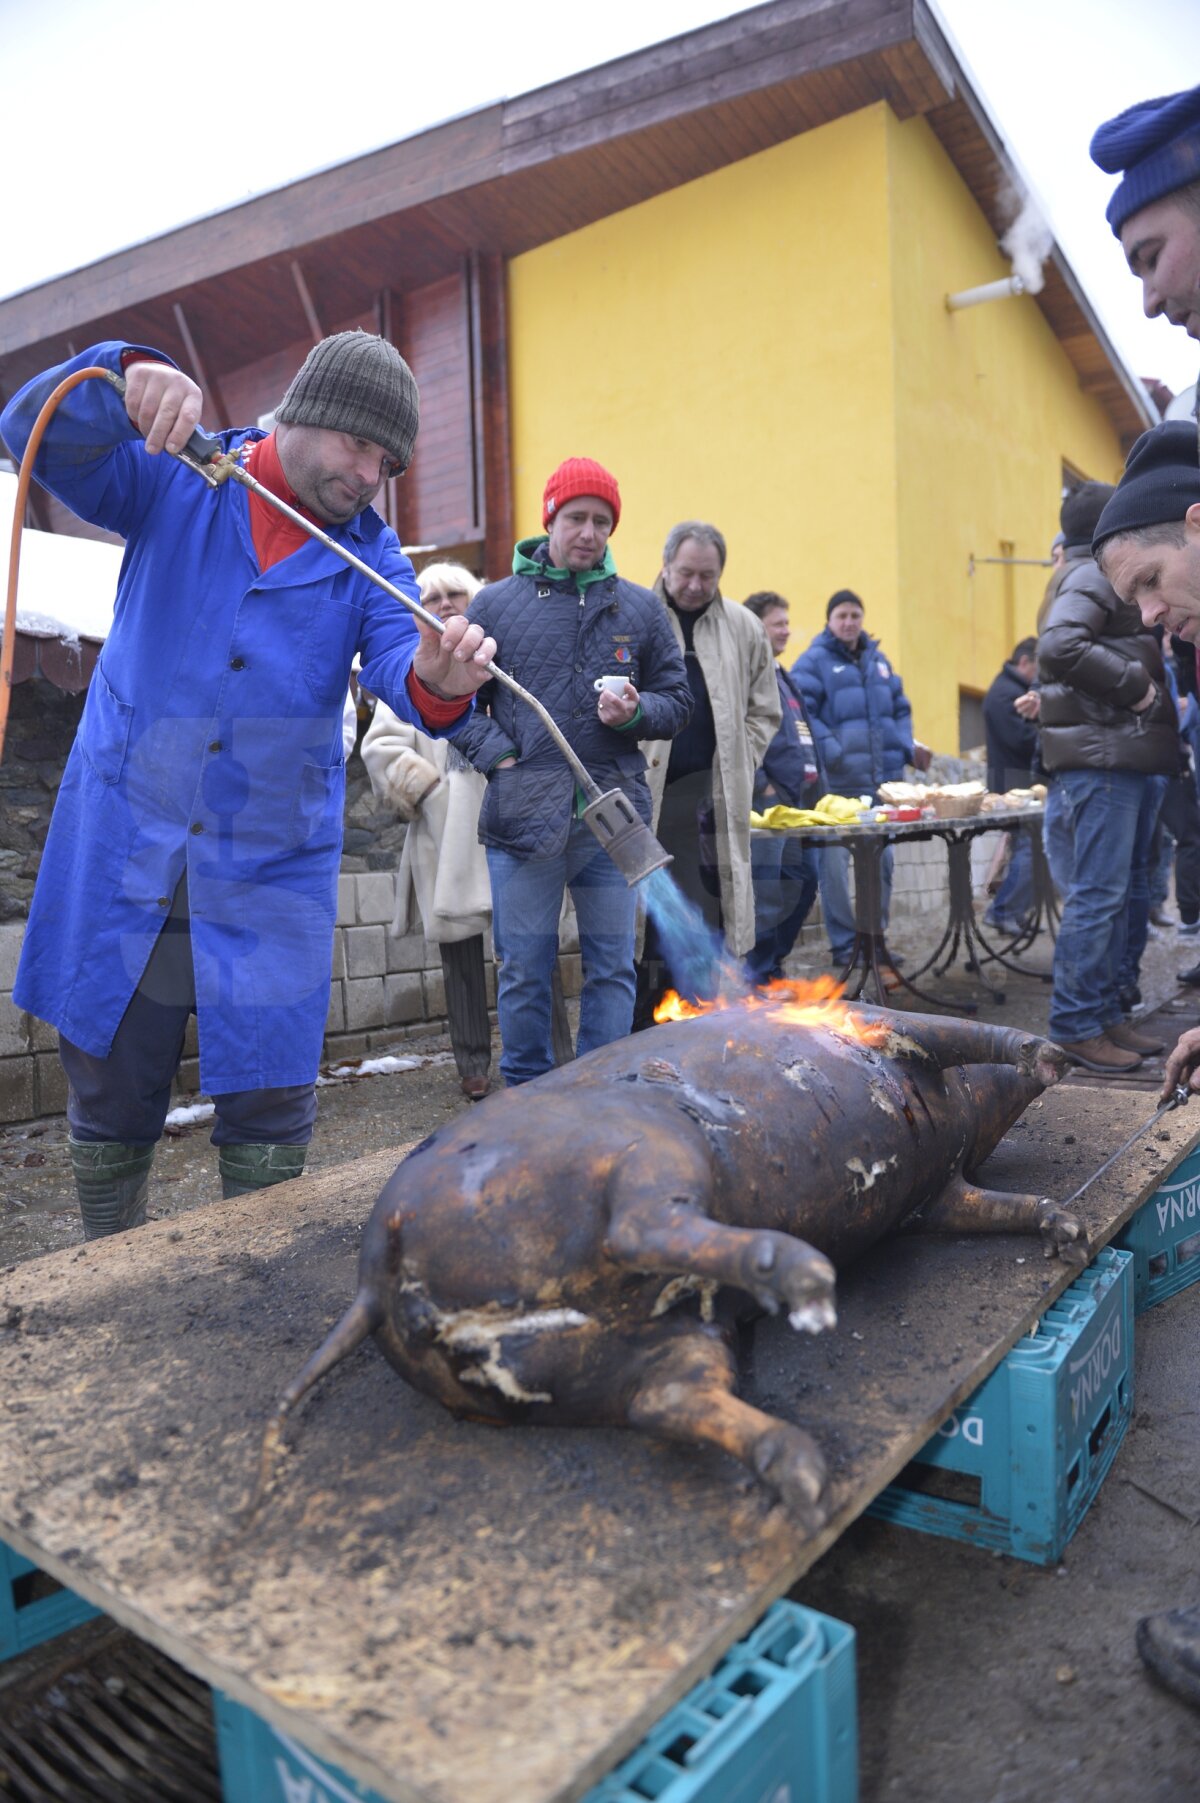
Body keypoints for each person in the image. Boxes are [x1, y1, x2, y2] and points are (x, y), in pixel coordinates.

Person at [0, 333, 496, 1237]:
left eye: (387, 462)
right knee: (111, 1073)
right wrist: (122, 379)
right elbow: (32, 428)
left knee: (270, 1097)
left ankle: (253, 1294)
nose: (369, 474)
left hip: (268, 865)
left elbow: (403, 664)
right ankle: (106, 1274)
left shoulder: (369, 558)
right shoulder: (174, 477)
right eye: (359, 447)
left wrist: (438, 678)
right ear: (304, 414)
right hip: (130, 836)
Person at [457, 458, 690, 1085]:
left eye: (602, 521)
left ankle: (598, 1093)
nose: (589, 532)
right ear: (550, 518)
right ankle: (526, 1094)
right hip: (521, 819)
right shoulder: (496, 605)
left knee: (612, 968)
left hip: (610, 822)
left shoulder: (639, 610)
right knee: (524, 967)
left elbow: (678, 699)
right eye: (576, 517)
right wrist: (498, 755)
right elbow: (455, 704)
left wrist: (638, 712)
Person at [1038, 478, 1177, 1073]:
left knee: (1123, 893)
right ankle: (1075, 1025)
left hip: (1123, 756)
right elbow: (1059, 645)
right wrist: (1139, 690)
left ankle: (1105, 1014)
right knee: (1099, 896)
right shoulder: (1091, 574)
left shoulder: (1086, 573)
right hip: (1103, 759)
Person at [633, 522, 781, 1024]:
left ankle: (701, 1022)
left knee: (708, 913)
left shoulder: (744, 627)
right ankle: (639, 1028)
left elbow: (765, 710)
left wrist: (742, 759)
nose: (696, 585)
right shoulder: (632, 616)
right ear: (665, 565)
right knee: (646, 922)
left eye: (707, 575)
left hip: (711, 802)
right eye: (686, 573)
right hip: (648, 798)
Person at [792, 589, 931, 972]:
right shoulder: (813, 662)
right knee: (833, 866)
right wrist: (832, 750)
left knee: (881, 862)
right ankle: (842, 944)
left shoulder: (878, 662)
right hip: (836, 787)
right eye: (842, 615)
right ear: (829, 620)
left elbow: (900, 709)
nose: (850, 622)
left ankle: (875, 939)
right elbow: (803, 714)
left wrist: (905, 745)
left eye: (855, 614)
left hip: (879, 784)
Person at [741, 592, 822, 982]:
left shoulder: (780, 673)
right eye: (779, 623)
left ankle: (771, 967)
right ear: (757, 627)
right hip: (768, 807)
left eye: (788, 623)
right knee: (770, 896)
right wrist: (764, 789)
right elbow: (739, 734)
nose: (788, 631)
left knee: (803, 883)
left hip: (796, 804)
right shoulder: (746, 674)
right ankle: (758, 978)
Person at [981, 637, 1040, 934]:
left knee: (1026, 849)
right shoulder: (1005, 693)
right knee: (1031, 849)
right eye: (1037, 667)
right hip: (1012, 784)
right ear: (1025, 662)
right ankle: (1003, 910)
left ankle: (1013, 911)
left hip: (1017, 782)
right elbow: (1020, 740)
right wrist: (1047, 731)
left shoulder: (1012, 689)